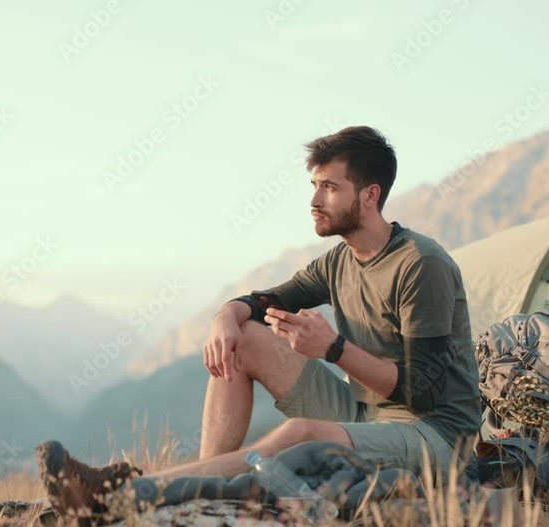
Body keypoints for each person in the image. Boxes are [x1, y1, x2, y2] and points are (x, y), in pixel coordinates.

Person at [38, 126, 481, 520]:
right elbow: (261, 302)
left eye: (329, 187)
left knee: (299, 433)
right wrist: (226, 316)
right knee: (244, 339)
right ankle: (197, 490)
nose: (314, 200)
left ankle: (126, 493)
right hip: (367, 414)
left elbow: (423, 392)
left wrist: (333, 348)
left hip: (435, 437)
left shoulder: (421, 265)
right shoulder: (339, 261)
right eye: (313, 185)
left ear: (369, 195)